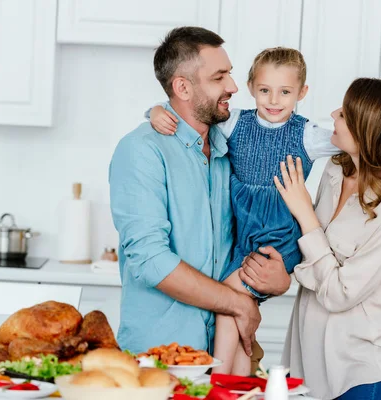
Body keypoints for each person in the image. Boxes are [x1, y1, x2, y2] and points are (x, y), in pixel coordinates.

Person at [148, 47, 381, 375]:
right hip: (244, 236)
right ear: (251, 88)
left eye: (285, 92)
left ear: (301, 93)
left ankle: (216, 382)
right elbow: (192, 112)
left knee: (229, 303)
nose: (274, 100)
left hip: (279, 237)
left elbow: (378, 139)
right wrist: (156, 111)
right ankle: (236, 384)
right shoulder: (236, 124)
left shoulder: (310, 136)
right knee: (236, 313)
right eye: (264, 90)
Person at [109, 27, 291, 365]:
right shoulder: (141, 151)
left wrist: (278, 279)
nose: (234, 87)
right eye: (219, 77)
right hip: (161, 360)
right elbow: (151, 261)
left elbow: (245, 239)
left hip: (223, 353)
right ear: (182, 87)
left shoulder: (228, 148)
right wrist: (236, 303)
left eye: (230, 74)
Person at [274, 78, 381, 399]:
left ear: (365, 130)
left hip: (358, 375)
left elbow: (340, 294)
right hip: (308, 366)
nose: (333, 114)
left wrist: (305, 214)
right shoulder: (335, 169)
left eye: (344, 114)